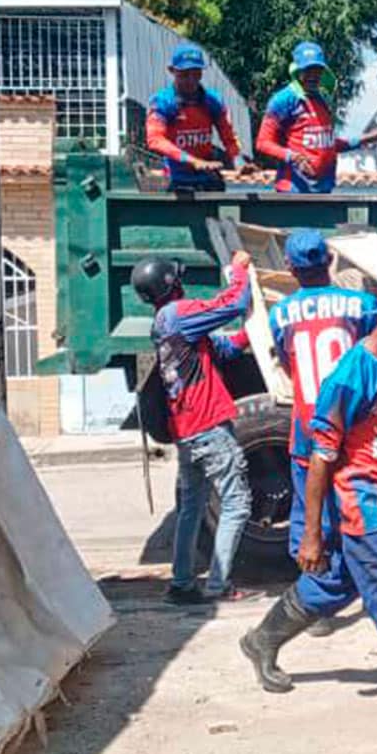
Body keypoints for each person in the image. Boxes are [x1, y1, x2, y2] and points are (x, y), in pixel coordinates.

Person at [239, 283, 377, 730]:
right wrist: (310, 534)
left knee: (336, 581)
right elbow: (321, 460)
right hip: (364, 501)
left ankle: (261, 640)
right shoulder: (348, 379)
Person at [226, 229, 375, 636]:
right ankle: (362, 585)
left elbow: (288, 364)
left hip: (309, 425)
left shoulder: (281, 313)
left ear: (290, 267)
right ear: (330, 261)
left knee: (312, 514)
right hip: (353, 425)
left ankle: (315, 603)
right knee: (356, 503)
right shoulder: (361, 305)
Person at [131, 249, 257, 605]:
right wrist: (238, 272)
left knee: (193, 506)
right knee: (236, 503)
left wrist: (255, 331)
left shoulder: (166, 325)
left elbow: (225, 349)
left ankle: (182, 583)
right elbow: (233, 303)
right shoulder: (180, 314)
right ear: (171, 284)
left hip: (187, 431)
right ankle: (220, 585)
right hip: (209, 426)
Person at [255, 41, 377, 194]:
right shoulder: (283, 100)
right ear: (298, 71)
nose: (313, 75)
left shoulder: (320, 100)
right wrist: (292, 157)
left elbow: (329, 144)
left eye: (317, 70)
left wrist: (368, 138)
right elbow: (263, 143)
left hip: (322, 191)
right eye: (308, 70)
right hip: (293, 193)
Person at [145, 44, 241, 189]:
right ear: (172, 71)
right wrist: (192, 161)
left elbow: (229, 138)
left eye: (196, 74)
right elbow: (155, 140)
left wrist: (239, 161)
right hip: (176, 179)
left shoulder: (213, 101)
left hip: (207, 177)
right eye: (184, 74)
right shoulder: (162, 102)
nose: (191, 80)